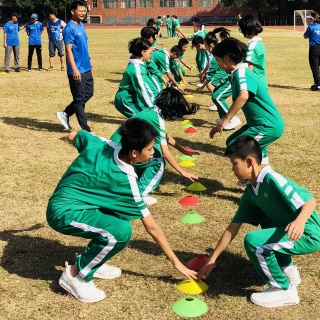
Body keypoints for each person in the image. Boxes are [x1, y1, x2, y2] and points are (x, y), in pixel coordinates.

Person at [46, 117, 198, 303]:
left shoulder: (102, 144)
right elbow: (152, 228)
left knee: (120, 216)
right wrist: (176, 262)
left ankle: (94, 260)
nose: (153, 153)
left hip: (78, 203)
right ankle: (75, 275)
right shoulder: (126, 181)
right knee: (120, 232)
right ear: (134, 152)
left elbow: (75, 135)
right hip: (63, 213)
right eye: (150, 149)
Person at [198, 135, 320, 308]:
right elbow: (233, 228)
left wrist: (299, 222)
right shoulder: (250, 192)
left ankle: (284, 290)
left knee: (254, 242)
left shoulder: (272, 179)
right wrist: (212, 259)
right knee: (265, 222)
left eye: (234, 164)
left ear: (249, 162)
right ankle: (289, 271)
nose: (232, 169)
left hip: (308, 235)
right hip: (290, 234)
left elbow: (309, 202)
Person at [111, 87, 199, 205]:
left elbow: (166, 137)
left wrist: (183, 151)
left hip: (116, 147)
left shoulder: (153, 111)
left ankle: (132, 181)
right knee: (158, 162)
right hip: (121, 151)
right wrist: (182, 172)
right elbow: (166, 153)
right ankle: (140, 194)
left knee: (153, 151)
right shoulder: (158, 119)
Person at [209, 37, 284, 165]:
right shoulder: (236, 73)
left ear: (226, 58)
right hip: (256, 124)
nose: (218, 65)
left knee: (239, 149)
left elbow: (243, 96)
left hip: (267, 126)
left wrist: (225, 120)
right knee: (232, 141)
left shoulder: (242, 72)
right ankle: (263, 175)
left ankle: (250, 181)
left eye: (218, 60)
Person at [56, 1, 93, 132]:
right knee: (79, 99)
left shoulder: (81, 25)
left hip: (86, 67)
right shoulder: (69, 28)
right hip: (76, 69)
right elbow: (68, 50)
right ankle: (85, 128)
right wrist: (75, 69)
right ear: (73, 11)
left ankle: (65, 113)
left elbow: (83, 45)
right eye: (80, 11)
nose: (83, 13)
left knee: (89, 93)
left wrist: (89, 60)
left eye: (84, 10)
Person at [197, 31, 241, 130]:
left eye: (206, 45)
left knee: (217, 97)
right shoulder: (216, 53)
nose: (205, 48)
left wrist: (202, 86)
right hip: (228, 78)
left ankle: (233, 119)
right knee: (215, 95)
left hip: (232, 78)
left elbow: (211, 73)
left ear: (211, 45)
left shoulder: (215, 56)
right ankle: (223, 119)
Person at [114, 38, 158, 118]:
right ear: (143, 52)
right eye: (150, 53)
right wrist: (152, 108)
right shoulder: (137, 70)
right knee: (143, 120)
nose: (150, 55)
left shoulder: (139, 63)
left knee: (148, 117)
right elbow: (142, 90)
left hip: (134, 97)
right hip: (126, 100)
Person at [238, 15, 268, 89]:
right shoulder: (259, 43)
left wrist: (245, 84)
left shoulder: (253, 45)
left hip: (254, 83)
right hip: (261, 81)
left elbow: (249, 66)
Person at [304, 12, 320, 91]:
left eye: (309, 19)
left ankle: (318, 84)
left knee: (315, 67)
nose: (308, 20)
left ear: (312, 19)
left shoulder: (311, 27)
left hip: (314, 49)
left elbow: (305, 36)